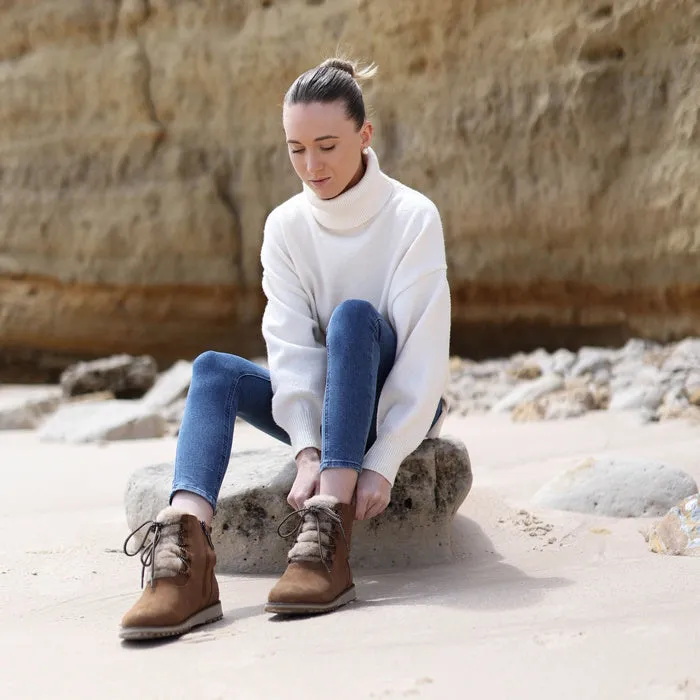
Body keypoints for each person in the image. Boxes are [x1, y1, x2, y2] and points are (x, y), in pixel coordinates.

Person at [119, 57, 451, 641]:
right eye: (296, 148)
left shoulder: (412, 215)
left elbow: (424, 349)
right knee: (213, 370)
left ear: (365, 135)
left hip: (397, 403)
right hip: (326, 411)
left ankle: (329, 534)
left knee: (353, 317)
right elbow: (290, 342)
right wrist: (305, 447)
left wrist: (385, 457)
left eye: (326, 145)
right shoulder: (285, 225)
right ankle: (188, 555)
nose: (311, 165)